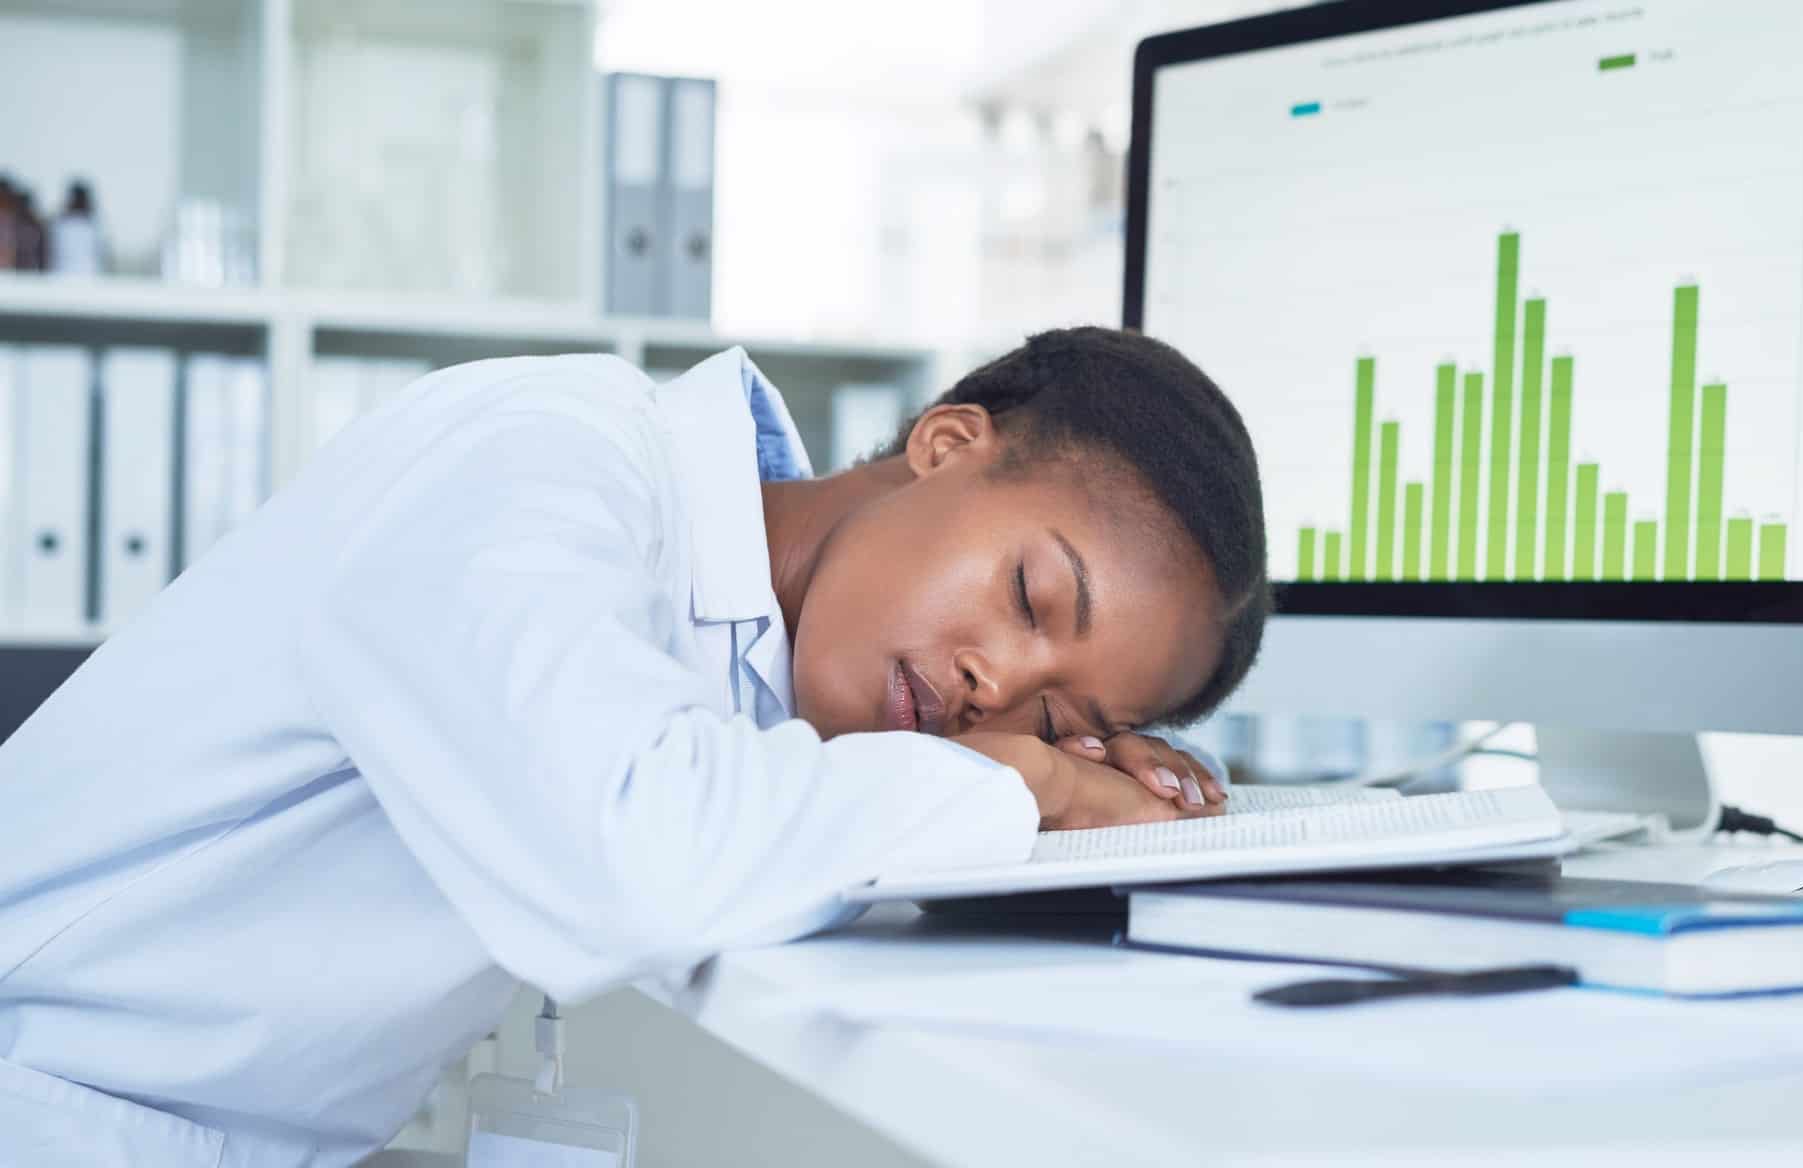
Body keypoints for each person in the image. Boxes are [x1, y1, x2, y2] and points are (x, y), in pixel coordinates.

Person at [0, 326, 1270, 1166]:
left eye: (1056, 709)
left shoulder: (773, 697)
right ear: (944, 446)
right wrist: (1034, 779)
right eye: (1032, 599)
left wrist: (1088, 805)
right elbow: (636, 853)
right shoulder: (553, 453)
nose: (996, 686)